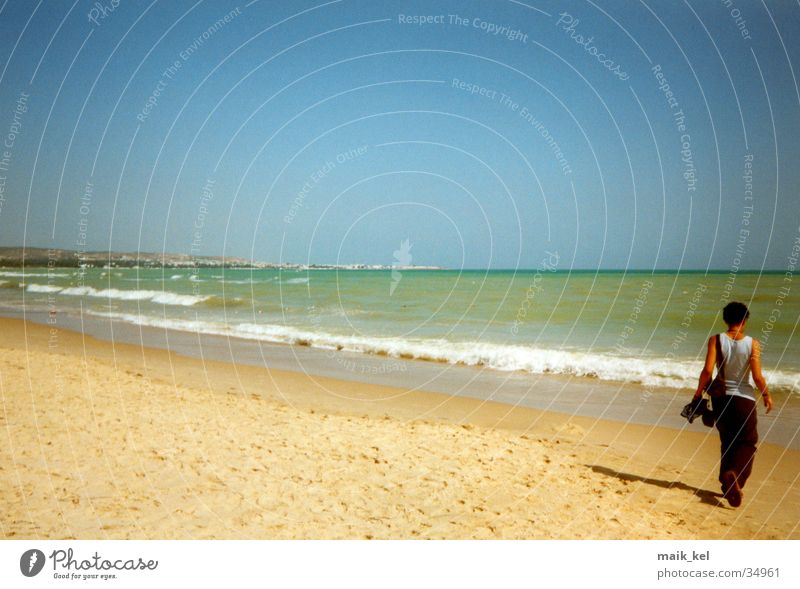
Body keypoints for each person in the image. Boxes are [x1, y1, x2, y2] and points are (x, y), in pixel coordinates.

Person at [692, 301, 772, 507]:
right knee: (747, 442)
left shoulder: (715, 340)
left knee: (727, 441)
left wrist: (698, 393)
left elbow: (708, 371)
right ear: (744, 321)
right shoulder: (753, 344)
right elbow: (757, 376)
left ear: (725, 320)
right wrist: (766, 395)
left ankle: (726, 484)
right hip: (744, 399)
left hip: (721, 399)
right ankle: (734, 475)